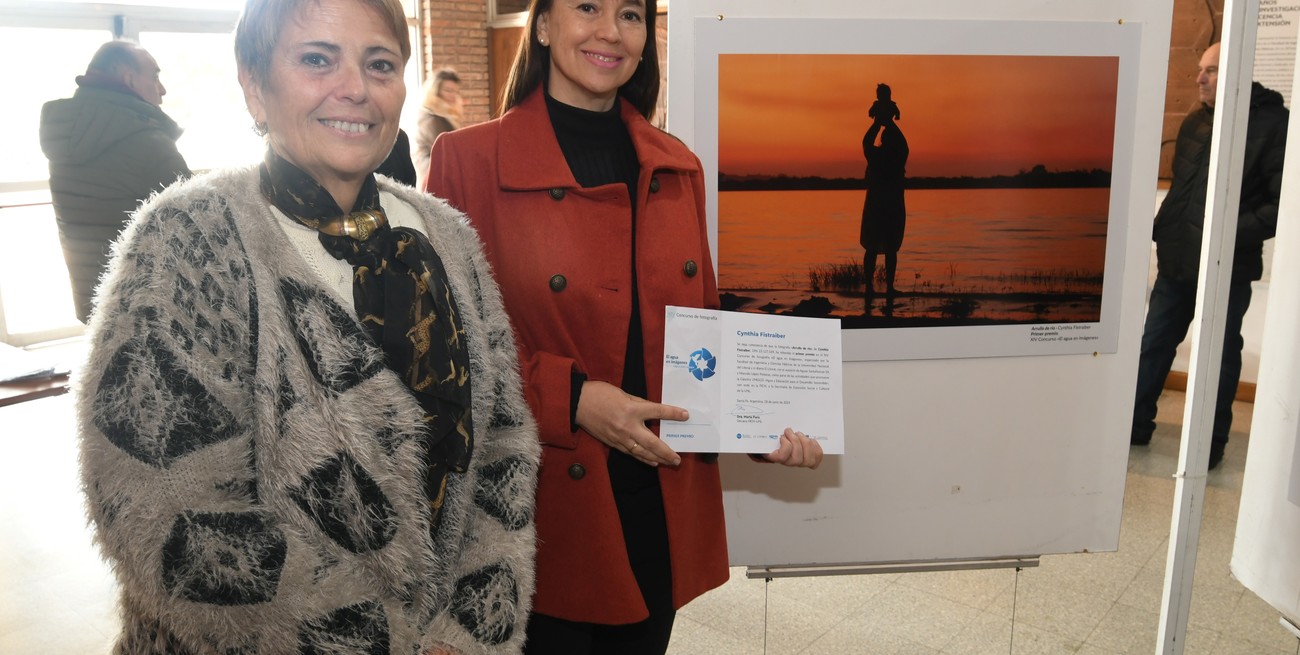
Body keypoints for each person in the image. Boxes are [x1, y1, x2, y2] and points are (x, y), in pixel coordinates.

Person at [76, 0, 540, 652]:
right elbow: (161, 502)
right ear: (254, 85)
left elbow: (504, 441)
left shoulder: (446, 234)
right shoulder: (190, 237)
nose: (355, 88)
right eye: (317, 59)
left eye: (380, 64)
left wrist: (469, 630)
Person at [427, 0, 824, 652]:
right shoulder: (467, 161)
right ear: (544, 25)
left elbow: (702, 329)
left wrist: (762, 423)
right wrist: (575, 400)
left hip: (655, 503)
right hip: (542, 512)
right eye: (587, 7)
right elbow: (446, 351)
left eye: (630, 15)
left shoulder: (677, 164)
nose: (610, 31)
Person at [1131, 42, 1288, 470]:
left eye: (1211, 70)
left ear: (1237, 71)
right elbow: (1182, 190)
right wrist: (1162, 228)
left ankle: (1208, 444)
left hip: (1226, 266)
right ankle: (1134, 426)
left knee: (1218, 356)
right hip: (1177, 260)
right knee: (1154, 344)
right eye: (1201, 69)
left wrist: (1225, 233)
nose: (1199, 78)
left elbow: (1282, 205)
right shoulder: (1195, 122)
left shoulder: (1274, 125)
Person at [40, 40, 191, 323]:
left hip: (95, 299)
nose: (162, 89)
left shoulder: (68, 134)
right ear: (129, 80)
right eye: (155, 76)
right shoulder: (147, 143)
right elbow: (198, 225)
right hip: (148, 308)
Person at [861, 118, 909, 297]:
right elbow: (904, 144)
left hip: (877, 207)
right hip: (891, 207)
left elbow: (866, 142)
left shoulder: (876, 155)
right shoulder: (898, 157)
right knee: (890, 248)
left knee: (873, 248)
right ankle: (888, 287)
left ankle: (869, 286)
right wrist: (889, 121)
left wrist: (877, 123)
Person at [413, 68, 464, 188]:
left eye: (455, 91)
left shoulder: (446, 114)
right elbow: (445, 150)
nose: (453, 95)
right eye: (448, 90)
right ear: (435, 91)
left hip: (440, 173)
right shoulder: (430, 118)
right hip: (433, 176)